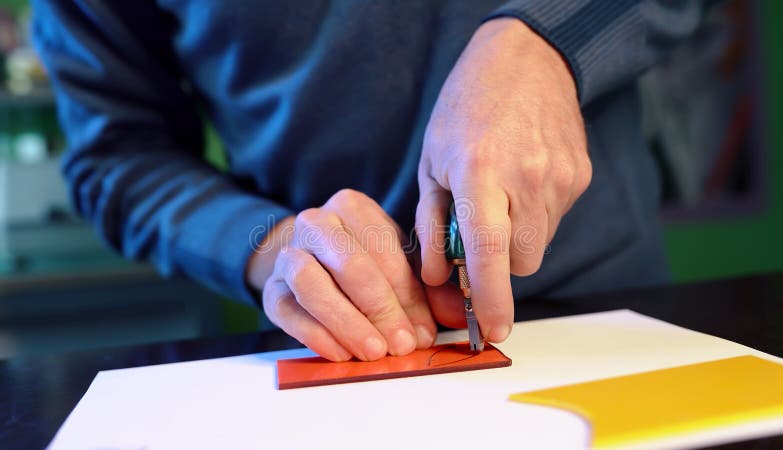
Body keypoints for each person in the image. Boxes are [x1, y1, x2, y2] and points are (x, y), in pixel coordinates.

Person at [32, 1, 703, 362]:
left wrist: (551, 43)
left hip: (607, 310)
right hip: (341, 340)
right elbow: (115, 155)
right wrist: (268, 246)